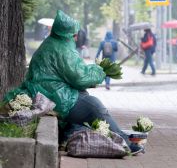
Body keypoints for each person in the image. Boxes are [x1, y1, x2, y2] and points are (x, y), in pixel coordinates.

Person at [3, 10, 143, 155]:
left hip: (46, 91)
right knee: (94, 106)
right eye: (74, 34)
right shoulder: (63, 49)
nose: (76, 38)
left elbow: (72, 71)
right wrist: (99, 71)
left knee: (84, 102)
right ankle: (124, 142)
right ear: (67, 34)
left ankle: (70, 134)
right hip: (56, 96)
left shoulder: (51, 43)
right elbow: (80, 78)